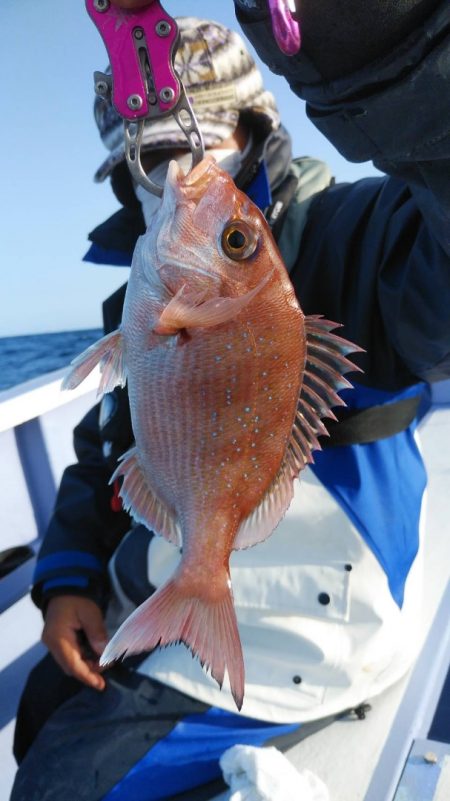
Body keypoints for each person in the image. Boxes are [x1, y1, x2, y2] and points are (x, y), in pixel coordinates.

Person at [11, 3, 450, 800]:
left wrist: (391, 53)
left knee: (58, 782)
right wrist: (68, 576)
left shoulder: (356, 238)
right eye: (151, 160)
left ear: (256, 137)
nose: (180, 177)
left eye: (198, 144)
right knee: (43, 703)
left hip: (310, 626)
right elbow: (104, 450)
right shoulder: (140, 309)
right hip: (182, 576)